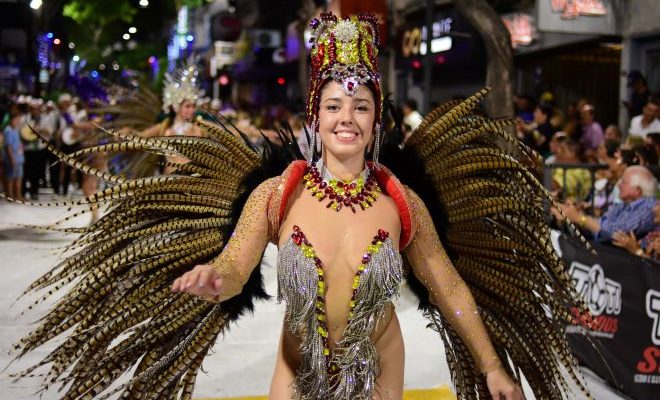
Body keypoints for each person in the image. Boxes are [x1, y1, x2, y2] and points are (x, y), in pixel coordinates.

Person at [15, 13, 589, 400]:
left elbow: (449, 288)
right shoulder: (278, 194)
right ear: (316, 116)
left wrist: (490, 366)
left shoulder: (400, 201)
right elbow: (238, 268)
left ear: (375, 119)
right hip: (296, 371)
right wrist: (214, 278)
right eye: (335, 104)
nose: (347, 117)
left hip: (380, 374)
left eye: (361, 106)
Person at [556, 165, 656, 243]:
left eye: (624, 182)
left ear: (637, 190)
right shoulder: (624, 204)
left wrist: (579, 218)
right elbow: (601, 224)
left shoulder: (648, 208)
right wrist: (575, 214)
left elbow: (615, 234)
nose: (619, 185)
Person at [3, 110, 25, 201]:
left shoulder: (16, 129)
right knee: (10, 178)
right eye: (16, 120)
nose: (18, 121)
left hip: (19, 157)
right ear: (11, 120)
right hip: (12, 158)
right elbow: (8, 146)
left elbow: (18, 143)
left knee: (19, 177)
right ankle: (10, 196)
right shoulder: (8, 130)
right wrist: (12, 158)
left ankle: (18, 195)